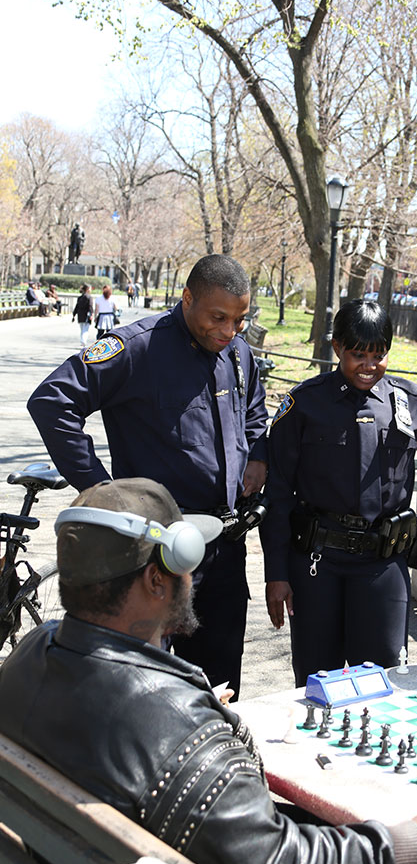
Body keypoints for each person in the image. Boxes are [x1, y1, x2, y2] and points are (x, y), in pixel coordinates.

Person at [0, 477, 417, 864]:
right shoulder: (177, 727)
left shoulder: (31, 653)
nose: (192, 577)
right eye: (187, 558)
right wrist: (406, 844)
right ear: (158, 578)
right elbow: (271, 862)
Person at [27, 254, 268, 698]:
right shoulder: (137, 347)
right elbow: (52, 402)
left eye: (239, 319)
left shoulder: (238, 353)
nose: (228, 330)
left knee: (220, 688)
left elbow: (255, 413)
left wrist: (258, 455)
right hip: (159, 551)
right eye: (218, 317)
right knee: (153, 689)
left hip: (227, 550)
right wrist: (102, 491)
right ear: (187, 297)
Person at [261, 298, 417, 686]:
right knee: (316, 679)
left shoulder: (407, 401)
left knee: (385, 677)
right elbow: (276, 494)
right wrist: (275, 573)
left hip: (382, 563)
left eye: (379, 355)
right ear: (337, 347)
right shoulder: (305, 404)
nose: (369, 365)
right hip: (318, 563)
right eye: (358, 354)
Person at [72, 282, 93, 348]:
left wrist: (74, 314)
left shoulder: (80, 297)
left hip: (80, 315)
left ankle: (82, 341)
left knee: (82, 329)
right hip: (87, 315)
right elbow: (90, 306)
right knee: (85, 329)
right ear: (87, 289)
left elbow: (76, 306)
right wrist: (91, 314)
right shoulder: (89, 297)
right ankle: (83, 341)